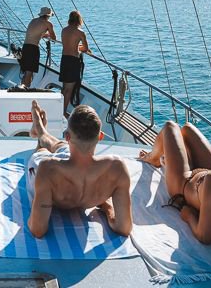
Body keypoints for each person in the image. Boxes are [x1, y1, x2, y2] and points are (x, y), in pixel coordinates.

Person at [26, 101, 132, 238]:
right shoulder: (117, 168)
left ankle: (40, 132)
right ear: (100, 137)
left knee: (43, 149)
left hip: (60, 166)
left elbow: (37, 230)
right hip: (73, 157)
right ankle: (40, 130)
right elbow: (124, 228)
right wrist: (107, 207)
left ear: (68, 136)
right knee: (59, 146)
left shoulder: (47, 169)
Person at [59, 10, 91, 117]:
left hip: (64, 59)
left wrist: (76, 47)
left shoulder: (64, 30)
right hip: (73, 60)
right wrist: (80, 48)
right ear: (79, 20)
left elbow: (67, 44)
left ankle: (60, 109)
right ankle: (62, 113)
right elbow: (85, 48)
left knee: (64, 88)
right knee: (69, 89)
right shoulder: (80, 32)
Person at [20, 6, 56, 88]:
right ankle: (25, 91)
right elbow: (54, 38)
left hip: (25, 47)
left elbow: (34, 33)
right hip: (33, 49)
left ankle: (21, 88)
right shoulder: (48, 24)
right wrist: (47, 34)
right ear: (48, 16)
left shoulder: (33, 20)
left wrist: (43, 34)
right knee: (29, 72)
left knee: (26, 72)